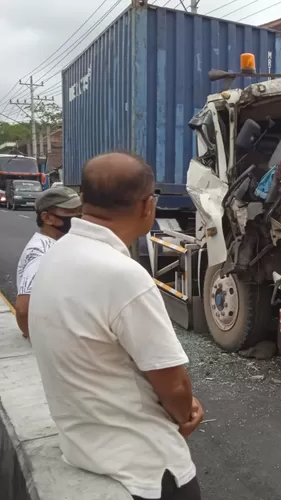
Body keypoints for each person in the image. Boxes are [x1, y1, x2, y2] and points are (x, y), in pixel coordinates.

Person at [28, 152, 204, 500]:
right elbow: (174, 386)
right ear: (146, 206)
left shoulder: (55, 257)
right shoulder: (123, 277)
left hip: (82, 450)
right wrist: (187, 412)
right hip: (147, 471)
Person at [15, 185, 82, 338]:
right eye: (70, 212)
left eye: (79, 211)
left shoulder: (57, 245)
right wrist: (37, 341)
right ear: (46, 218)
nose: (78, 216)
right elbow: (23, 310)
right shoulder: (42, 253)